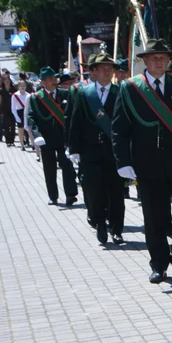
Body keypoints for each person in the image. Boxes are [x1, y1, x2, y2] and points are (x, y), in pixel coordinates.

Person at [113, 39, 172, 282]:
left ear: (169, 60)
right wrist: (123, 161)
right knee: (154, 216)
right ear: (145, 61)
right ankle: (158, 263)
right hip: (147, 164)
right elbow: (119, 128)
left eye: (163, 57)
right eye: (153, 57)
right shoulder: (130, 88)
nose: (158, 61)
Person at [68, 53, 126, 246]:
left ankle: (117, 229)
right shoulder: (84, 94)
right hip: (90, 152)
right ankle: (100, 224)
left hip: (114, 152)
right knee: (94, 191)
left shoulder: (121, 92)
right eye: (102, 67)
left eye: (110, 68)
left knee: (116, 192)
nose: (107, 71)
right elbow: (76, 121)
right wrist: (74, 148)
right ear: (93, 71)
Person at [28, 67, 79, 206]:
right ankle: (53, 196)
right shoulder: (36, 97)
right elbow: (31, 118)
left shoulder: (65, 94)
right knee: (49, 167)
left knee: (67, 165)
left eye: (54, 78)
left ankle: (71, 195)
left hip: (63, 136)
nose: (54, 81)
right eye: (50, 79)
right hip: (46, 138)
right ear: (43, 81)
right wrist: (37, 135)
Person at [0, 73, 17, 147]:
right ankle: (7, 140)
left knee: (13, 125)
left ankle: (12, 139)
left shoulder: (14, 89)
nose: (7, 82)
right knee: (6, 125)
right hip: (4, 110)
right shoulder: (1, 90)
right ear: (3, 82)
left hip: (13, 109)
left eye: (8, 80)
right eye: (5, 80)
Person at [12, 81, 32, 150]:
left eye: (24, 86)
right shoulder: (15, 95)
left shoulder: (28, 95)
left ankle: (32, 143)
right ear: (18, 87)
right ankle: (22, 145)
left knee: (29, 129)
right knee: (21, 129)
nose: (23, 87)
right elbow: (13, 108)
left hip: (27, 112)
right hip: (19, 112)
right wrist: (16, 117)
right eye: (21, 86)